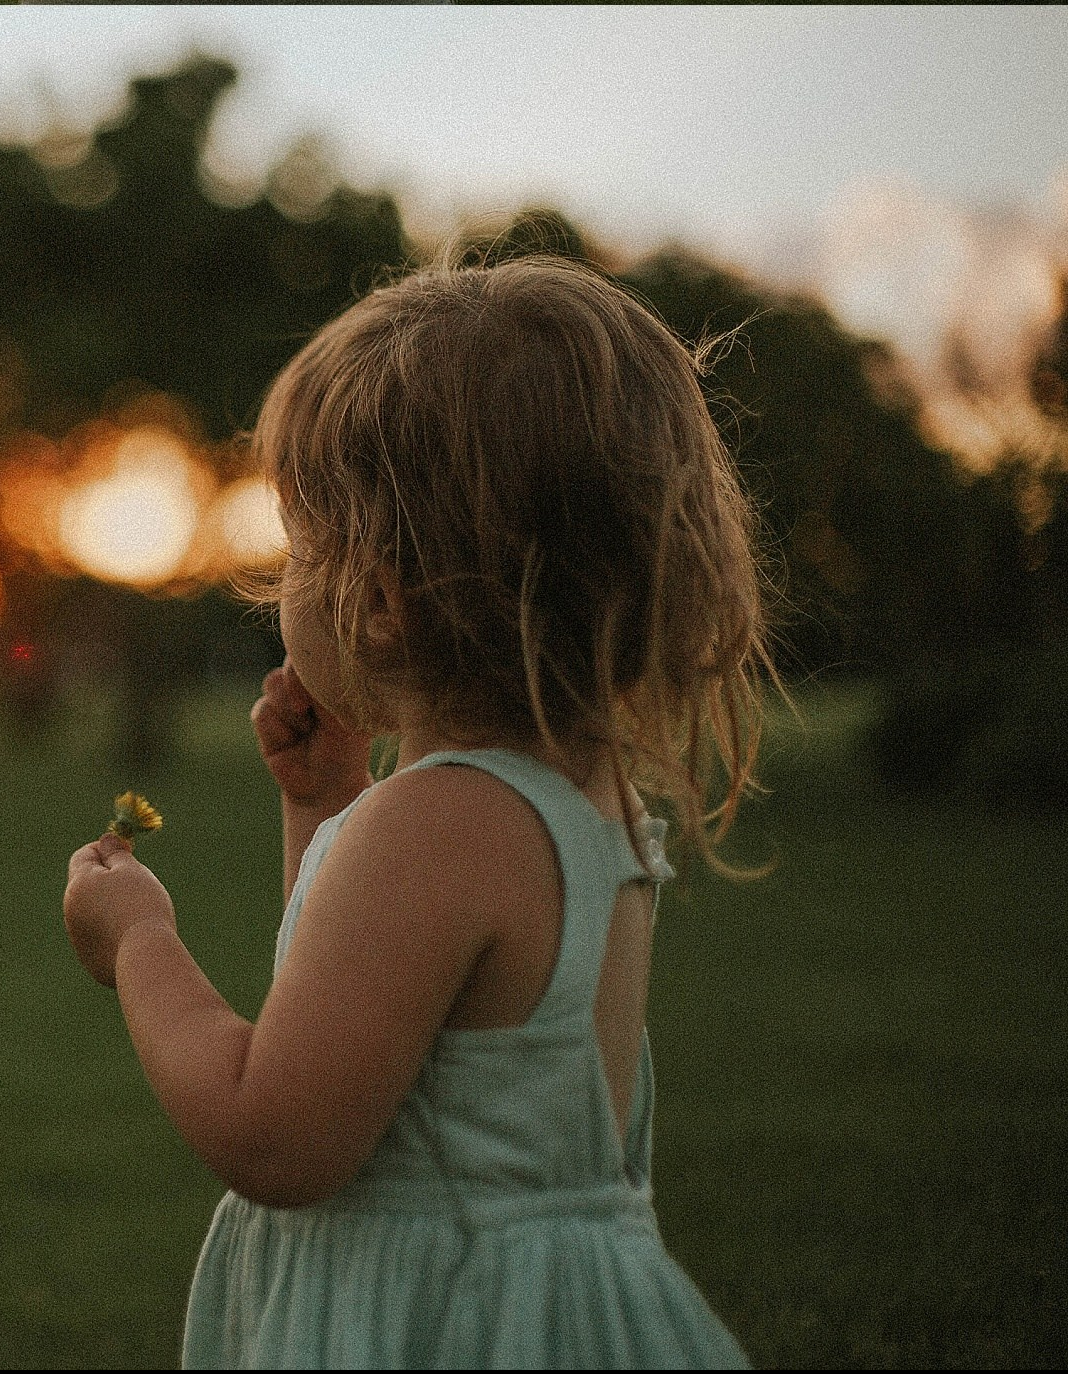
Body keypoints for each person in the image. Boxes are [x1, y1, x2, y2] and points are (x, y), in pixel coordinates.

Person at [62, 255, 775, 1368]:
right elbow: (379, 1031)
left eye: (298, 547)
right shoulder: (576, 807)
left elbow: (277, 1133)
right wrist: (328, 804)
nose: (280, 578)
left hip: (438, 1324)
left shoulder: (433, 829)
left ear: (380, 603)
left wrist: (141, 943)